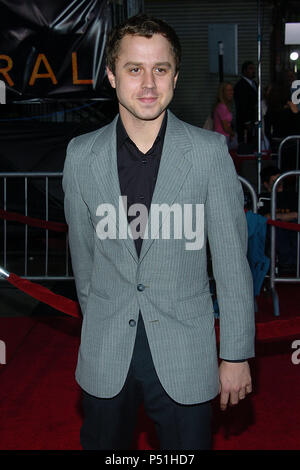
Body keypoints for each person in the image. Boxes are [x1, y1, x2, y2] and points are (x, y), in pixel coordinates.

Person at [62, 14, 255, 450]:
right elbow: (84, 262)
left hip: (186, 351)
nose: (148, 83)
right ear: (112, 75)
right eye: (134, 69)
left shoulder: (208, 153)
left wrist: (236, 353)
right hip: (107, 350)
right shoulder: (80, 156)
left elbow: (231, 262)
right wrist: (100, 321)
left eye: (160, 69)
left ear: (175, 76)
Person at [259, 165, 298, 274]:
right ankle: (287, 264)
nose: (279, 183)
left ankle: (293, 264)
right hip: (275, 230)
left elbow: (297, 214)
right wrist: (286, 217)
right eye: (274, 181)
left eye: (280, 179)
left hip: (293, 227)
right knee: (275, 228)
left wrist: (277, 217)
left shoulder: (293, 196)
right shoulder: (263, 198)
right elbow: (264, 217)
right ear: (266, 184)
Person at [234, 61, 258, 144]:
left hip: (253, 118)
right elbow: (242, 105)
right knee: (245, 143)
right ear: (244, 71)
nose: (253, 71)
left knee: (252, 141)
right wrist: (247, 121)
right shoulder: (240, 85)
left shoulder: (254, 83)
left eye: (254, 68)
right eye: (250, 69)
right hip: (244, 121)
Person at [213, 81, 238, 149]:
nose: (232, 92)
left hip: (223, 138)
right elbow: (226, 128)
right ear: (222, 92)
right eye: (228, 90)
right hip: (222, 139)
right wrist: (233, 134)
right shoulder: (222, 107)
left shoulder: (224, 106)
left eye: (232, 90)